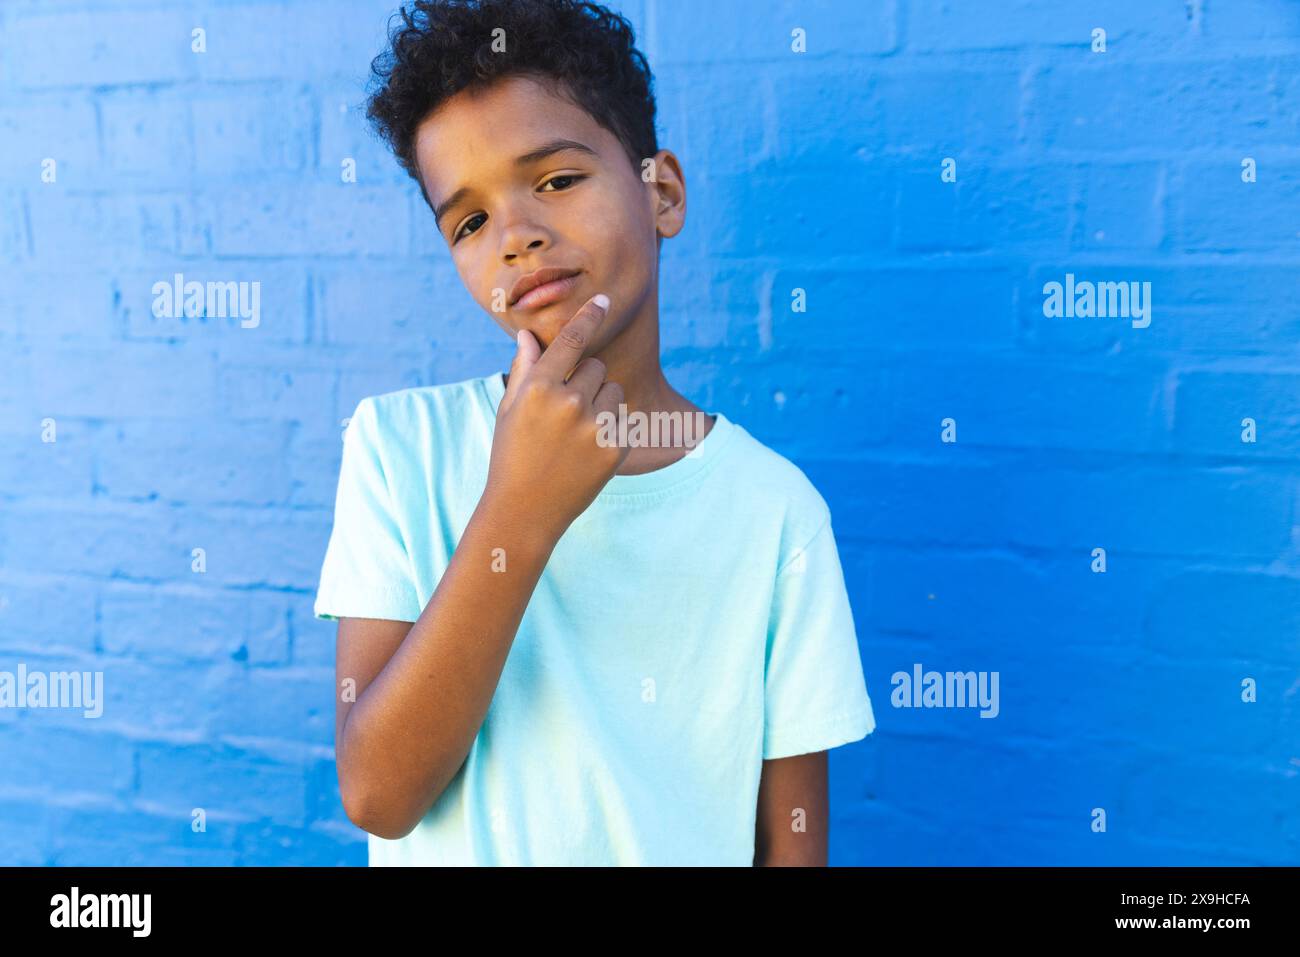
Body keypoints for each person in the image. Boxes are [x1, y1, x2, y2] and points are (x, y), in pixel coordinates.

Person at [313, 0, 875, 865]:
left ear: (662, 192)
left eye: (557, 180)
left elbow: (791, 845)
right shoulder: (399, 448)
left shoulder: (775, 513)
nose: (516, 236)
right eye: (468, 221)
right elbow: (379, 795)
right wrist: (519, 509)